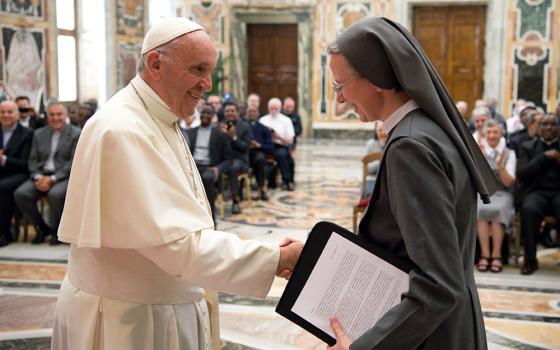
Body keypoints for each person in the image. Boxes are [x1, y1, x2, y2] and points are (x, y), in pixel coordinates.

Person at [51, 18, 302, 350]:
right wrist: (277, 258)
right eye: (198, 69)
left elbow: (179, 224)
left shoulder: (157, 115)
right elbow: (178, 246)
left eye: (210, 71)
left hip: (157, 309)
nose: (208, 84)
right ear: (156, 64)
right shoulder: (121, 130)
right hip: (130, 322)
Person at [326, 17, 498, 350]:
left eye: (339, 85)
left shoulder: (410, 146)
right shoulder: (426, 130)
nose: (340, 100)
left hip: (431, 338)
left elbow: (438, 283)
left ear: (375, 78)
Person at [14, 101, 80, 245]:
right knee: (21, 194)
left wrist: (52, 179)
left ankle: (58, 231)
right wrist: (38, 177)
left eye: (59, 114)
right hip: (41, 175)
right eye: (52, 115)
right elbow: (32, 160)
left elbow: (73, 162)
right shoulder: (38, 134)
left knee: (55, 195)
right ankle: (42, 227)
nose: (55, 118)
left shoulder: (76, 134)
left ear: (66, 115)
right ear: (47, 117)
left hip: (63, 176)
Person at [516, 113, 560, 275]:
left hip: (558, 193)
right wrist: (543, 157)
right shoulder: (527, 147)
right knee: (529, 210)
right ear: (539, 127)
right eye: (545, 124)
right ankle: (530, 260)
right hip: (536, 192)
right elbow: (522, 174)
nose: (549, 127)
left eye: (553, 124)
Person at [476, 120, 516, 273]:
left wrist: (500, 166)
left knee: (498, 210)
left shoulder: (509, 153)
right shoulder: (479, 150)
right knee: (480, 210)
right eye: (489, 133)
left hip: (503, 193)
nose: (492, 136)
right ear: (485, 135)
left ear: (501, 134)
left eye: (495, 132)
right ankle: (485, 255)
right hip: (485, 193)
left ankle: (497, 255)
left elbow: (508, 183)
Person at [185, 104, 233, 221]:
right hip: (192, 166)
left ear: (213, 116)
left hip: (209, 168)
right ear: (199, 115)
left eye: (208, 113)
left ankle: (210, 219)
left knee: (206, 178)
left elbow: (229, 160)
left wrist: (218, 169)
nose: (205, 115)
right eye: (203, 113)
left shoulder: (221, 135)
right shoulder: (191, 132)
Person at [0, 101, 33, 246]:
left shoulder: (27, 134)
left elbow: (25, 163)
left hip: (18, 174)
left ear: (17, 114)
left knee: (2, 187)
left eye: (10, 112)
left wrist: (4, 159)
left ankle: (4, 233)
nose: (6, 115)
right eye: (2, 112)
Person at [220, 101, 252, 214]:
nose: (230, 113)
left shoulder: (245, 126)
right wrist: (222, 135)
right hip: (224, 159)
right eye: (227, 111)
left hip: (240, 159)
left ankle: (235, 201)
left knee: (232, 168)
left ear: (237, 112)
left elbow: (245, 147)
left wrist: (233, 137)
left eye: (232, 111)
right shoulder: (221, 125)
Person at [260, 97, 296, 191]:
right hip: (265, 146)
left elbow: (290, 141)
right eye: (271, 108)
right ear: (268, 108)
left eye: (276, 108)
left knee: (282, 155)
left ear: (280, 108)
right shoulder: (262, 120)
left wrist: (277, 136)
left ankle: (287, 181)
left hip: (280, 145)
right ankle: (264, 182)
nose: (274, 111)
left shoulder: (286, 120)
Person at [247, 106, 274, 200]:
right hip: (244, 153)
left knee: (260, 159)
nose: (252, 113)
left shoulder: (264, 129)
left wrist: (259, 145)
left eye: (254, 111)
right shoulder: (242, 126)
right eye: (250, 111)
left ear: (258, 113)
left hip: (258, 153)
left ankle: (261, 188)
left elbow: (271, 147)